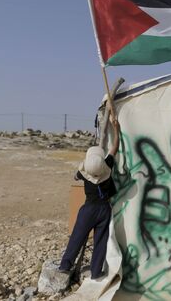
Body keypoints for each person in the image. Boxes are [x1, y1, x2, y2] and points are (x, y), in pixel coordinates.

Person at [59, 116, 120, 279]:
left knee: (77, 237)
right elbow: (115, 147)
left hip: (88, 209)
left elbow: (76, 176)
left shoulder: (84, 173)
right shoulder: (107, 165)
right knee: (100, 241)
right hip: (104, 209)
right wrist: (117, 130)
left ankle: (65, 266)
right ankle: (95, 271)